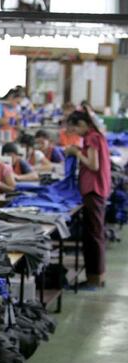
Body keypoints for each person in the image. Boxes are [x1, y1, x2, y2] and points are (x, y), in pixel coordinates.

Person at [65, 110, 112, 288]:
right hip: (97, 190)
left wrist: (76, 152)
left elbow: (93, 164)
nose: (76, 132)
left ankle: (94, 279)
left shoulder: (92, 137)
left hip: (94, 190)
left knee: (93, 236)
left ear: (83, 124)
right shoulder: (97, 136)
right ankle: (97, 277)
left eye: (75, 128)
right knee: (95, 233)